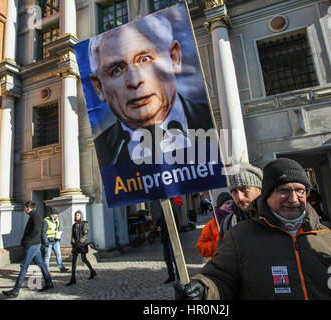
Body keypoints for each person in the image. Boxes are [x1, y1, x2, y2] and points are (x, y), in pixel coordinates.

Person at [175, 158, 331, 300]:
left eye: (300, 190)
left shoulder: (328, 237)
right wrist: (203, 288)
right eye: (284, 190)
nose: (293, 199)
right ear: (266, 195)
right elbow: (220, 278)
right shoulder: (239, 235)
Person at [89, 14, 213, 166]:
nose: (134, 81)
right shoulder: (102, 153)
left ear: (174, 58)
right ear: (99, 87)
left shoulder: (213, 123)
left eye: (145, 59)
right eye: (116, 70)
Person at [2, 201, 53, 298]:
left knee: (24, 266)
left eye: (25, 208)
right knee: (41, 264)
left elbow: (37, 230)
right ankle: (49, 282)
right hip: (35, 245)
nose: (25, 210)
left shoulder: (36, 216)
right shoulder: (33, 216)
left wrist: (28, 240)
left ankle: (16, 290)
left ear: (28, 208)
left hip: (33, 245)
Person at [219, 163, 263, 237]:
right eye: (234, 192)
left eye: (244, 189)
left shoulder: (278, 218)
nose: (239, 197)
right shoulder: (227, 224)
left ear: (259, 189)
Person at [196, 192, 233, 260]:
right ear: (220, 206)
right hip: (220, 262)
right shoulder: (211, 225)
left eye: (233, 203)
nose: (231, 205)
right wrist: (218, 244)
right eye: (228, 203)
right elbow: (201, 247)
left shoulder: (239, 218)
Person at [66, 210, 96, 286]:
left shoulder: (85, 224)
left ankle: (92, 271)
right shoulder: (74, 225)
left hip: (82, 245)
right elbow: (72, 236)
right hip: (76, 245)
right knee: (73, 261)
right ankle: (73, 278)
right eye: (76, 215)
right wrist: (73, 242)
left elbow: (85, 235)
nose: (77, 216)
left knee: (84, 259)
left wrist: (80, 242)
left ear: (81, 216)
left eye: (78, 215)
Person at [156, 200, 180, 284]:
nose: (160, 203)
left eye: (161, 201)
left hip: (171, 238)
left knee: (174, 258)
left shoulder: (172, 211)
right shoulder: (162, 212)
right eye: (160, 201)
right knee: (167, 258)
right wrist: (158, 227)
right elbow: (159, 222)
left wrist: (172, 235)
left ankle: (179, 277)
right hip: (164, 238)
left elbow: (176, 225)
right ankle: (171, 276)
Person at [42, 208, 69, 273]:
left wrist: (58, 236)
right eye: (55, 215)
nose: (56, 216)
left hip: (55, 240)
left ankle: (61, 268)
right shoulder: (46, 221)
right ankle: (47, 271)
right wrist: (46, 242)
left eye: (57, 215)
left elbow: (57, 229)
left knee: (58, 254)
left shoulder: (57, 220)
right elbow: (43, 232)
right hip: (48, 241)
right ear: (51, 215)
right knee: (47, 257)